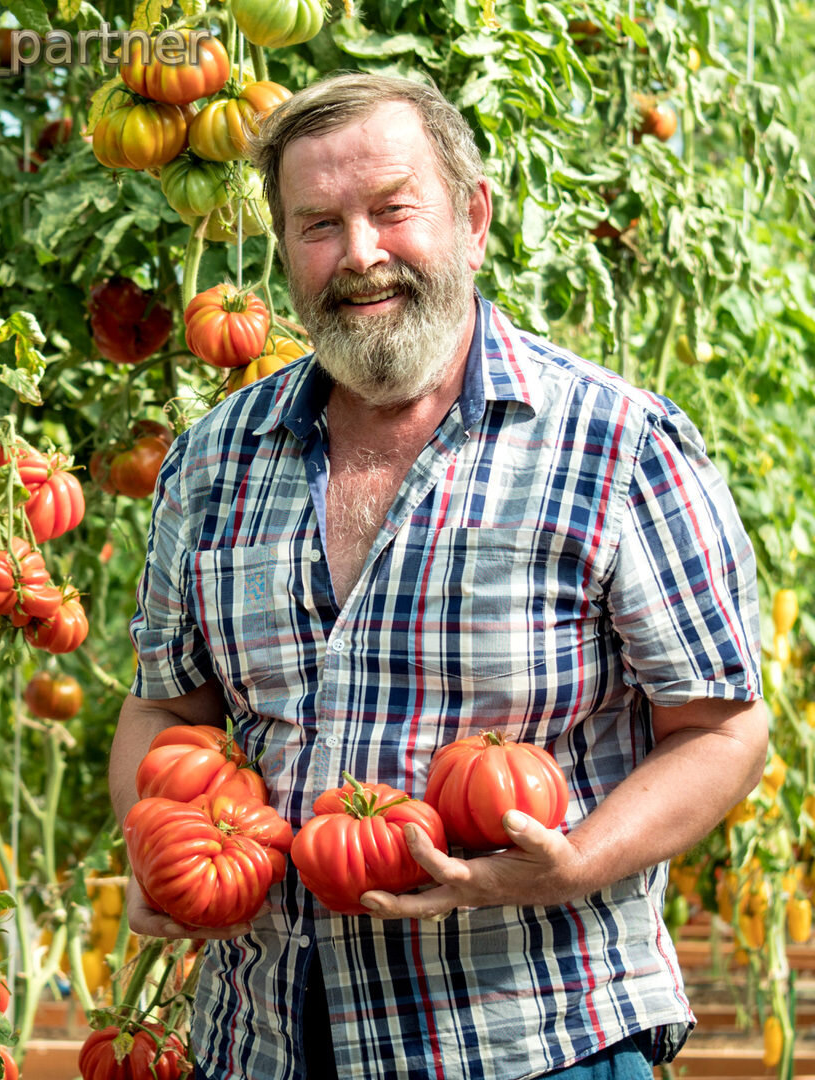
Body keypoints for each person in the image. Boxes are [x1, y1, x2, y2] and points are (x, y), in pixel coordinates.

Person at [108, 72, 767, 1080]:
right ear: (285, 248)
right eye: (319, 223)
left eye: (392, 209)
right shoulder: (213, 459)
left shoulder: (620, 446)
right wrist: (151, 843)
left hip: (536, 1038)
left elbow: (720, 729)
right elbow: (165, 712)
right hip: (265, 1040)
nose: (360, 255)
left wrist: (573, 862)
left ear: (471, 219)